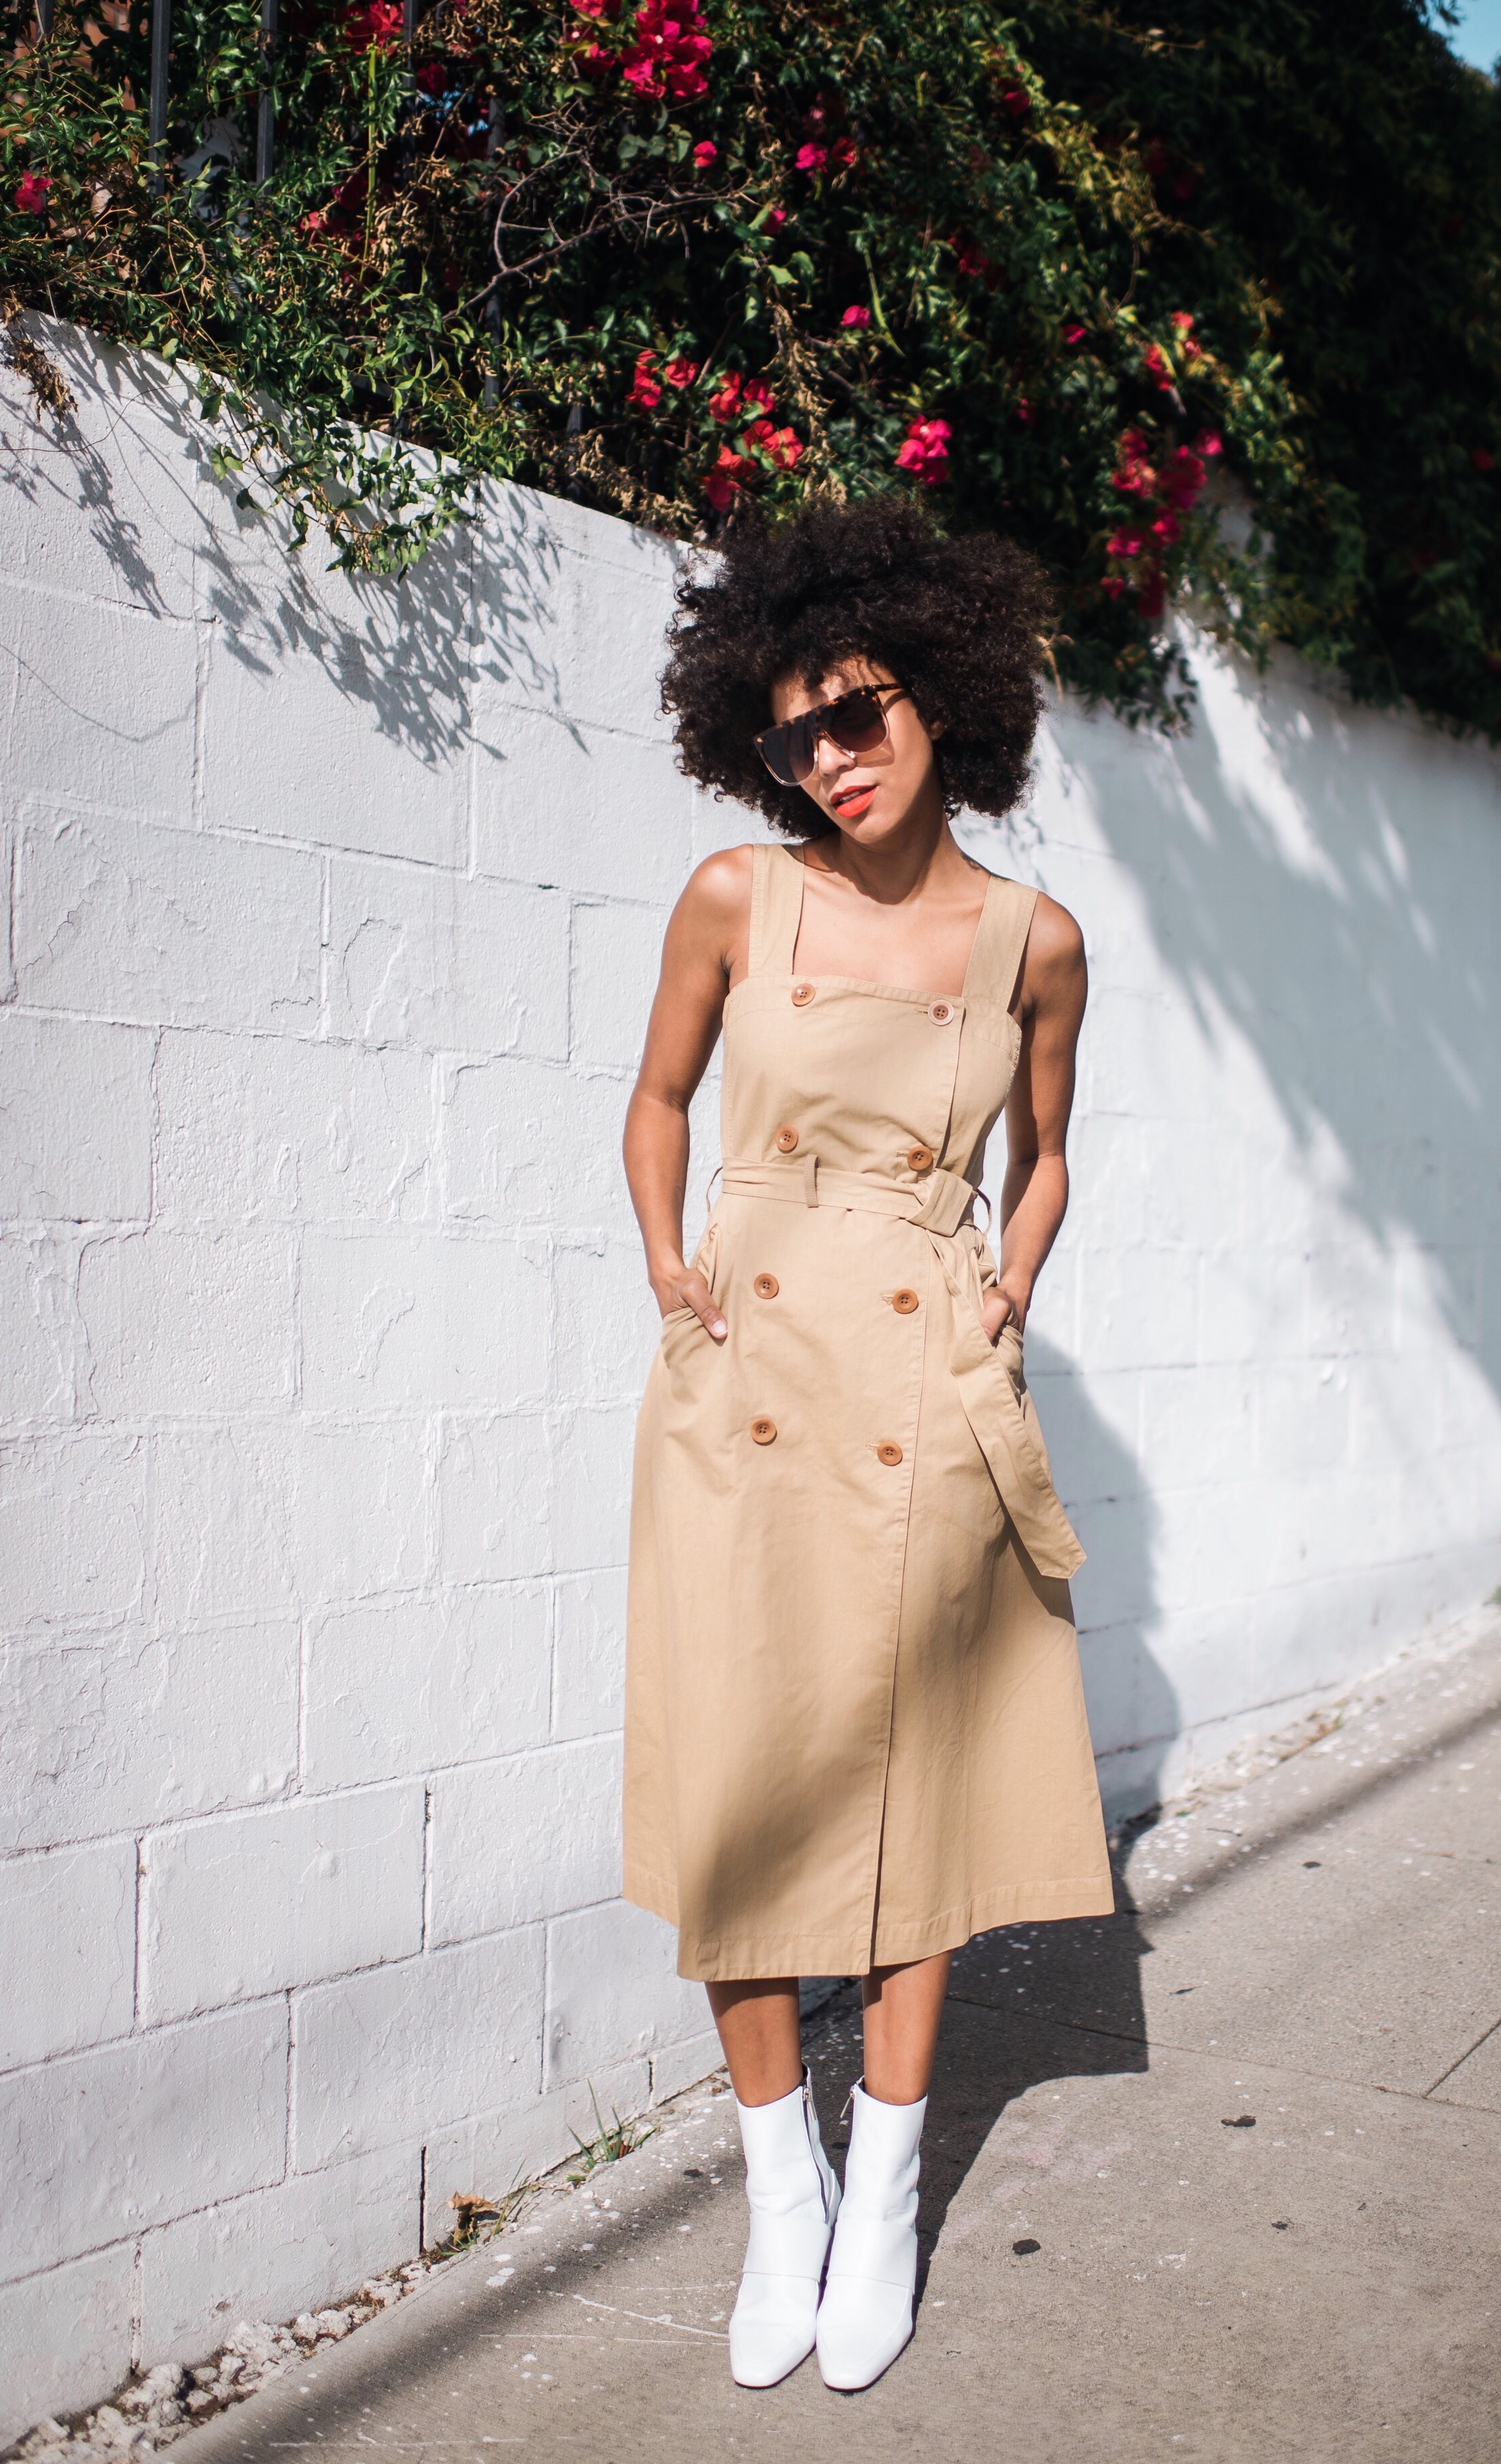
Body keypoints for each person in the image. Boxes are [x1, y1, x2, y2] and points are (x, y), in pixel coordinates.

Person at [621, 499, 1113, 2393]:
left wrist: (1008, 1288)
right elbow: (658, 1096)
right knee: (740, 1786)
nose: (829, 756)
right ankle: (783, 2201)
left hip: (928, 1387)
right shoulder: (733, 898)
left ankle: (885, 2195)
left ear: (941, 697)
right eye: (791, 737)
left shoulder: (1034, 943)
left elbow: (1045, 1153)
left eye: (858, 710)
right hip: (746, 1380)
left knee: (923, 1796)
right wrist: (668, 1266)